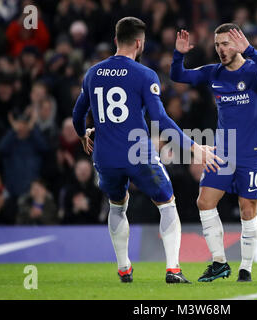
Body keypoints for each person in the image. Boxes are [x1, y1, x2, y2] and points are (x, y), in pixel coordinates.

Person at [72, 17, 221, 284]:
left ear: (116, 40)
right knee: (167, 203)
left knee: (117, 206)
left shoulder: (93, 73)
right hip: (137, 154)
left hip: (105, 156)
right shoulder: (144, 75)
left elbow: (77, 114)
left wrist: (84, 134)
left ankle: (124, 268)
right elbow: (161, 121)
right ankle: (173, 269)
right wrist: (193, 148)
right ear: (139, 43)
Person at [170, 24, 257, 282]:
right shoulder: (213, 73)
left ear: (238, 44)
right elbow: (178, 75)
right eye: (217, 44)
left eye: (226, 44)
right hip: (223, 151)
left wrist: (250, 51)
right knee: (204, 202)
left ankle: (246, 268)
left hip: (253, 153)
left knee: (247, 209)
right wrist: (178, 54)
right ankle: (219, 262)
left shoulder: (255, 71)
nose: (221, 49)